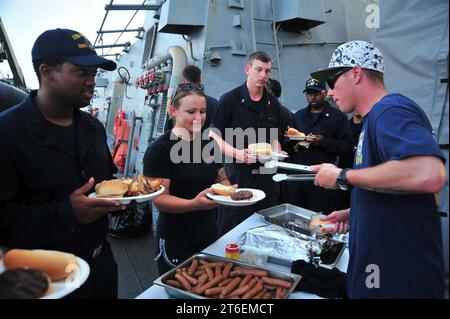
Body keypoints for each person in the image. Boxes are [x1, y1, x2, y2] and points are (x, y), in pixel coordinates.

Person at [310, 40, 446, 298]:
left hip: (398, 282)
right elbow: (395, 183)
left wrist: (342, 176)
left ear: (356, 73)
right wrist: (355, 212)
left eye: (332, 81)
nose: (328, 92)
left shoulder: (390, 110)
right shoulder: (374, 120)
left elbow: (427, 173)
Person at [0, 29, 124, 298]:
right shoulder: (7, 133)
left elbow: (107, 179)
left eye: (94, 74)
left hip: (101, 267)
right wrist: (68, 212)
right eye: (81, 73)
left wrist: (127, 196)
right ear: (47, 72)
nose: (92, 81)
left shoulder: (93, 128)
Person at [144, 83, 232, 275]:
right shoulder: (159, 150)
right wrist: (194, 204)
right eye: (191, 111)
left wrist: (228, 192)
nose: (199, 118)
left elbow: (221, 178)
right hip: (176, 238)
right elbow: (160, 200)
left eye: (202, 111)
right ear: (173, 111)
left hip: (210, 233)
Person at [210, 51, 289, 236]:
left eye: (267, 71)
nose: (263, 75)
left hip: (267, 177)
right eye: (258, 69)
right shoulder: (229, 99)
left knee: (265, 227)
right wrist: (237, 153)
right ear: (248, 69)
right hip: (238, 175)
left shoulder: (273, 103)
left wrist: (277, 154)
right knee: (233, 229)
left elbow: (274, 137)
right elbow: (213, 134)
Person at [286, 78, 353, 214]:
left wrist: (324, 141)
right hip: (299, 176)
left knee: (321, 218)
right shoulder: (298, 116)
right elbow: (287, 142)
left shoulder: (337, 117)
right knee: (297, 215)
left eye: (316, 93)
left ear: (325, 93)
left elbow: (348, 146)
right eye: (309, 93)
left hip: (323, 178)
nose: (312, 96)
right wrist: (292, 140)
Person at [164, 65, 218, 132]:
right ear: (200, 81)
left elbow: (168, 128)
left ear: (183, 82)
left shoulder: (176, 102)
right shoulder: (214, 103)